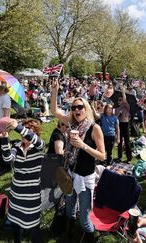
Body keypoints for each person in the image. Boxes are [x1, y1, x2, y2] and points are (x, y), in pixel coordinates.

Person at [50, 78, 106, 242]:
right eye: (74, 107)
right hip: (70, 174)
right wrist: (55, 91)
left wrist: (83, 145)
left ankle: (91, 237)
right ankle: (69, 235)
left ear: (86, 108)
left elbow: (103, 156)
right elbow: (54, 110)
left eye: (80, 107)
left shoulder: (94, 128)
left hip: (85, 178)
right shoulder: (71, 123)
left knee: (84, 218)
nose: (76, 110)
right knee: (69, 209)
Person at [0, 118, 45, 243]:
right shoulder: (16, 146)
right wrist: (4, 138)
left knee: (34, 228)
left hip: (32, 196)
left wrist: (18, 126)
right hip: (16, 195)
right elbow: (8, 159)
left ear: (35, 133)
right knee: (16, 225)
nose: (23, 135)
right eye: (22, 132)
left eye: (28, 131)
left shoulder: (39, 147)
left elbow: (34, 139)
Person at [115, 89, 132, 163]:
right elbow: (115, 117)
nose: (120, 101)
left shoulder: (126, 106)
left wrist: (123, 92)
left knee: (127, 142)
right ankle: (119, 157)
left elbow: (125, 100)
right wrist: (119, 113)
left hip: (126, 124)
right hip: (119, 124)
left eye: (121, 100)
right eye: (118, 100)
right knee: (119, 141)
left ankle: (129, 158)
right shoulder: (116, 108)